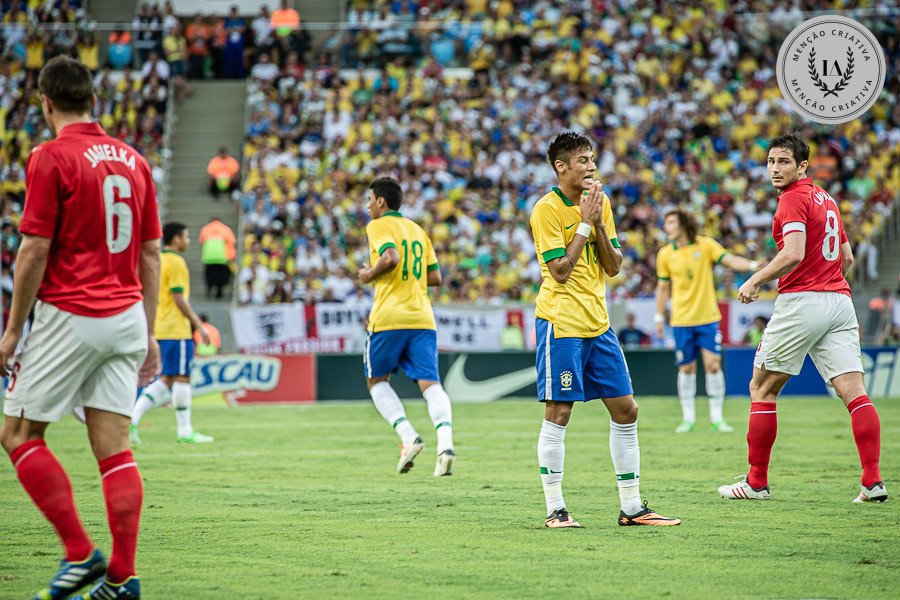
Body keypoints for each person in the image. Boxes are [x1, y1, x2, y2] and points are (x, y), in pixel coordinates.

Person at [0, 56, 160, 600]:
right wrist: (151, 331)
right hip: (127, 317)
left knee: (18, 433)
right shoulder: (135, 161)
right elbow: (153, 254)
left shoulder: (50, 156)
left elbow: (34, 249)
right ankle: (122, 577)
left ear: (45, 103)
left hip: (73, 312)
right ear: (94, 100)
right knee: (115, 449)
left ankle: (79, 552)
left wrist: (12, 330)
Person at [718, 133, 886, 503]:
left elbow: (793, 253)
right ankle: (872, 482)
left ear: (802, 166)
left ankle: (756, 483)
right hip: (839, 302)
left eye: (784, 162)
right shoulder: (827, 200)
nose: (775, 169)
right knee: (855, 393)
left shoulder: (793, 199)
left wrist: (755, 279)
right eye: (771, 162)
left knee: (762, 388)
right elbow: (848, 258)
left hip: (802, 301)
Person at [530, 132, 679, 528]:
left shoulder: (601, 202)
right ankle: (555, 509)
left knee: (626, 410)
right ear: (561, 167)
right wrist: (583, 224)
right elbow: (559, 272)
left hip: (599, 324)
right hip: (561, 323)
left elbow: (613, 266)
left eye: (592, 158)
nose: (591, 166)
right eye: (582, 160)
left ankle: (631, 507)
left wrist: (594, 223)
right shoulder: (545, 210)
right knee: (560, 412)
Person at [358, 177, 455, 476]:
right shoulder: (417, 229)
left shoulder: (377, 226)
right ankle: (446, 446)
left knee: (377, 381)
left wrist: (368, 274)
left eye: (370, 200)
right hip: (422, 318)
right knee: (431, 384)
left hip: (389, 317)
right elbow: (435, 278)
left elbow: (390, 257)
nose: (368, 205)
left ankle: (408, 437)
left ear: (381, 202)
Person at [655, 206, 762, 433]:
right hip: (681, 320)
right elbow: (663, 287)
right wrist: (657, 316)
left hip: (707, 317)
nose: (667, 227)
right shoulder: (665, 253)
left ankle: (717, 418)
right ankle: (688, 419)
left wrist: (753, 266)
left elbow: (729, 260)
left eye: (671, 222)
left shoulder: (705, 245)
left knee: (713, 366)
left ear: (683, 224)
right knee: (686, 368)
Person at [130, 222, 214, 445]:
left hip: (160, 326)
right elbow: (179, 298)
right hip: (176, 329)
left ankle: (132, 420)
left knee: (167, 378)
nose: (188, 241)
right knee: (182, 377)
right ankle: (185, 431)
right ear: (175, 239)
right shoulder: (176, 262)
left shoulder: (157, 259)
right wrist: (198, 324)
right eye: (186, 237)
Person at [199, 216, 236, 299]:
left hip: (208, 258)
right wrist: (231, 256)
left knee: (209, 276)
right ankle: (219, 292)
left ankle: (209, 289)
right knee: (221, 277)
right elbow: (232, 242)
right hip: (222, 258)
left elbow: (201, 241)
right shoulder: (226, 229)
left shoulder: (205, 228)